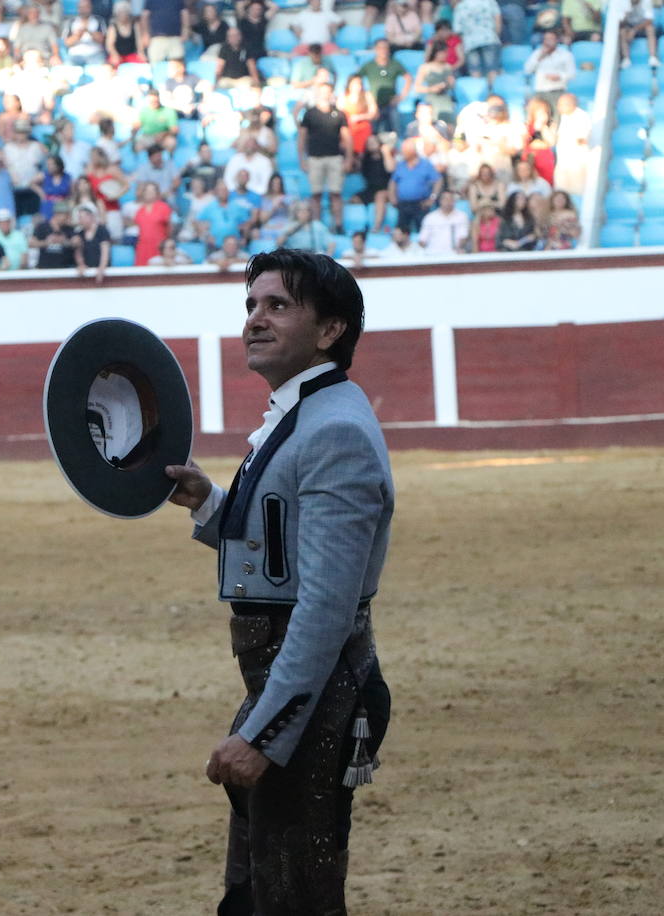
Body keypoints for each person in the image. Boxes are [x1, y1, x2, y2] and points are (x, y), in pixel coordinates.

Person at [164, 248, 392, 916]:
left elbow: (323, 605)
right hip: (293, 689)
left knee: (292, 899)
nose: (254, 320)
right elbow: (282, 546)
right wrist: (211, 504)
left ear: (331, 331)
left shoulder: (335, 430)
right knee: (260, 892)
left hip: (313, 696)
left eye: (278, 305)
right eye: (251, 305)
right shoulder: (310, 413)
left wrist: (265, 735)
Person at [296, 83, 352, 233]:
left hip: (335, 157)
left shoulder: (339, 114)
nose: (325, 94)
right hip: (315, 158)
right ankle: (317, 225)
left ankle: (338, 225)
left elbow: (347, 138)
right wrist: (302, 159)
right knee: (316, 194)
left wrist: (348, 159)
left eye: (328, 91)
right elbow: (302, 138)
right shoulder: (309, 114)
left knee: (336, 193)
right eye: (322, 91)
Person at [388, 138, 441, 234]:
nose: (402, 153)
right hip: (403, 204)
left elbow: (438, 180)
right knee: (401, 231)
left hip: (420, 204)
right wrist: (392, 197)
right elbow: (393, 182)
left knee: (423, 231)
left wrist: (432, 198)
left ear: (413, 152)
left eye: (404, 151)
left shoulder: (425, 164)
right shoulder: (400, 165)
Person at [452, 0, 501, 79]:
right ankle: (492, 90)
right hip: (490, 38)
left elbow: (457, 30)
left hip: (469, 42)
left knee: (474, 70)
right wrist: (496, 35)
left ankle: (477, 90)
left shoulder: (460, 6)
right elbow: (497, 19)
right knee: (492, 69)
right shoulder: (490, 2)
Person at [419, 189, 470, 254]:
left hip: (455, 255)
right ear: (440, 201)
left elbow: (463, 237)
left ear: (454, 201)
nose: (448, 201)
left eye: (451, 199)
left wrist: (456, 250)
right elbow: (422, 240)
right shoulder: (430, 218)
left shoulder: (462, 216)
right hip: (433, 255)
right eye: (446, 199)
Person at [73, 203, 111, 284]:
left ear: (91, 216)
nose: (80, 220)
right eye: (79, 218)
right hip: (88, 268)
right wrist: (81, 264)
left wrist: (101, 268)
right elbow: (78, 252)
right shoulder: (80, 233)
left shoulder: (102, 231)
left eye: (82, 217)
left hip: (100, 267)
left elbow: (105, 251)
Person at [618, 0, 658, 69]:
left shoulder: (646, 2)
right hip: (629, 27)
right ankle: (626, 59)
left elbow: (649, 20)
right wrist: (626, 15)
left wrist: (634, 29)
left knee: (650, 29)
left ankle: (652, 57)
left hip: (642, 27)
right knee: (622, 32)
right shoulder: (623, 3)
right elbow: (620, 24)